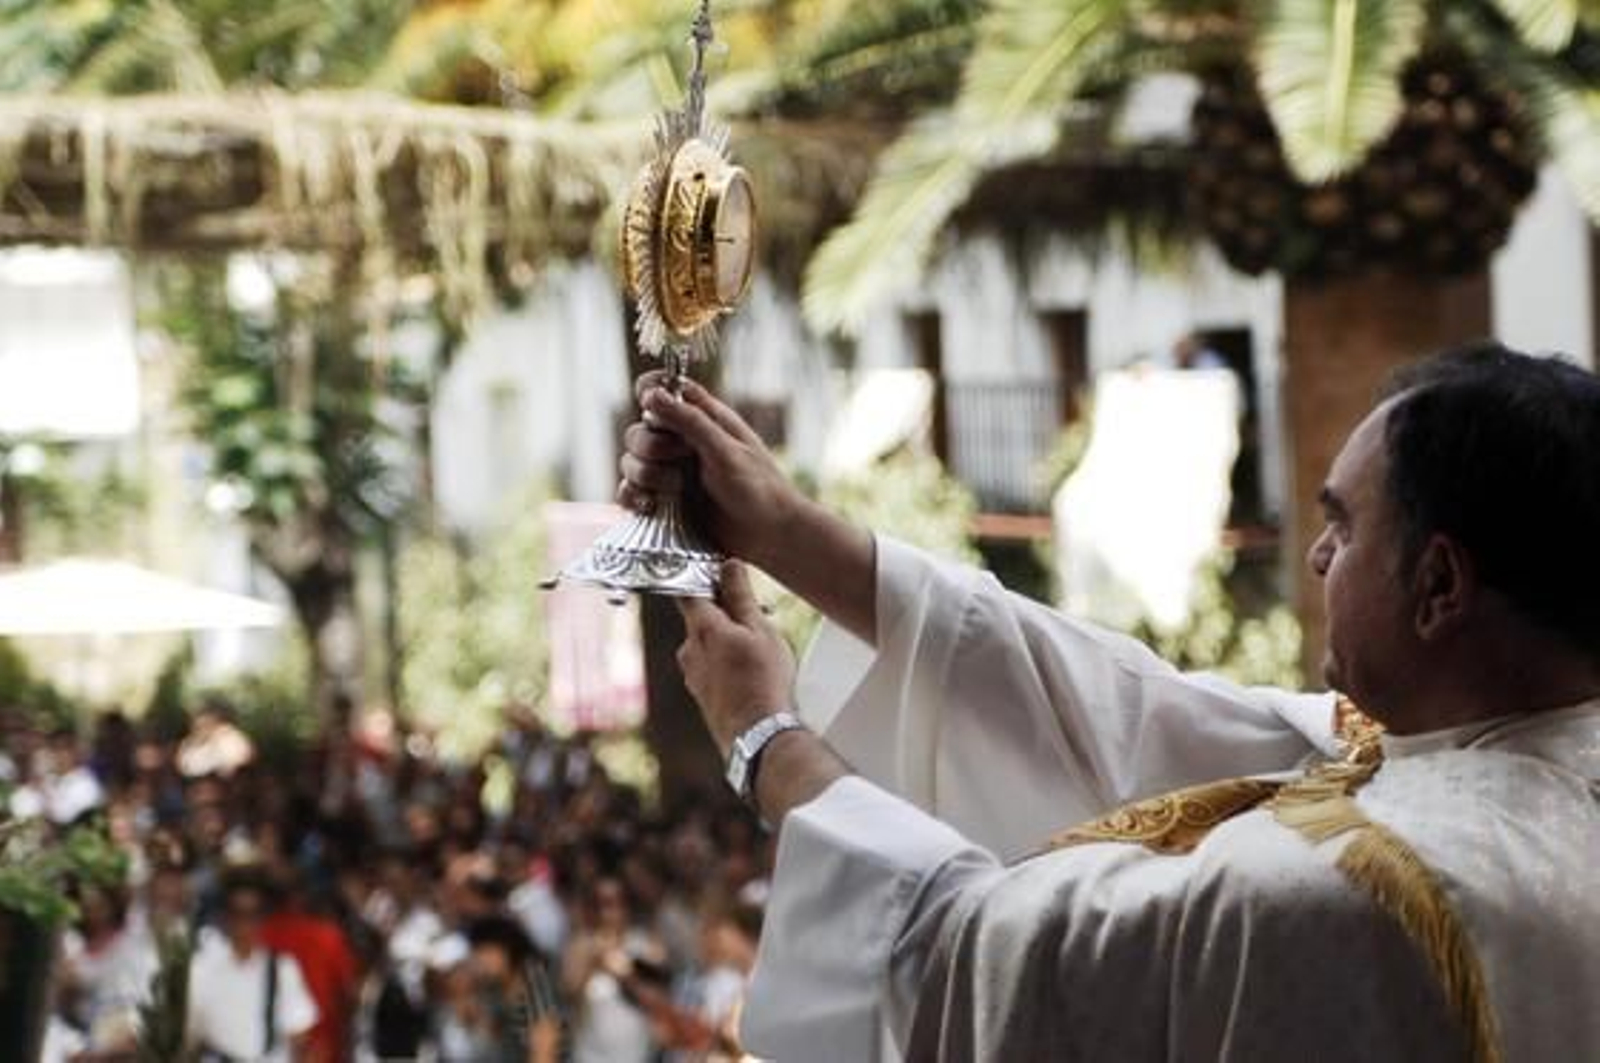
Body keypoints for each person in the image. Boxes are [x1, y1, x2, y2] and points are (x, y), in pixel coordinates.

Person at [617, 341, 1600, 1061]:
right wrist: (788, 533)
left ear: (1437, 585)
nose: (1314, 555)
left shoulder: (1351, 890)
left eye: (1341, 528)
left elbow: (968, 966)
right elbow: (1140, 714)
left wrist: (768, 741)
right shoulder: (1493, 758)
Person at [187, 871, 319, 1063]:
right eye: (238, 914)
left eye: (253, 915)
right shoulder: (201, 969)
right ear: (226, 917)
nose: (245, 924)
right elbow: (189, 1035)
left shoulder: (283, 970)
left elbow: (299, 1036)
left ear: (262, 918)